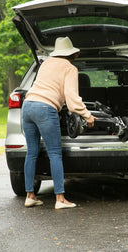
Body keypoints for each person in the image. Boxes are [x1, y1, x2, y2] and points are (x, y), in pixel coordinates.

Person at [22, 37, 95, 209]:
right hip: (45, 108)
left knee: (31, 152)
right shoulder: (70, 68)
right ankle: (60, 199)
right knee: (54, 153)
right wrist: (87, 115)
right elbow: (72, 100)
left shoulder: (46, 63)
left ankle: (30, 196)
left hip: (27, 106)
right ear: (72, 53)